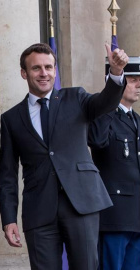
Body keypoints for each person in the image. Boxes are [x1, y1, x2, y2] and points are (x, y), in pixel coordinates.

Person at [0, 42, 128, 270]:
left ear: (55, 70)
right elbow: (7, 174)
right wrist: (9, 219)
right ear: (23, 73)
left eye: (49, 67)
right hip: (39, 211)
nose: (43, 73)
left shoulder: (75, 97)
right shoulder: (11, 118)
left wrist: (115, 74)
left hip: (81, 204)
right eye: (36, 68)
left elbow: (104, 103)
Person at [88, 58, 140, 270]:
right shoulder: (103, 114)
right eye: (133, 80)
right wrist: (110, 98)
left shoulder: (136, 119)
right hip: (114, 216)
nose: (139, 85)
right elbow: (97, 140)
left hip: (136, 216)